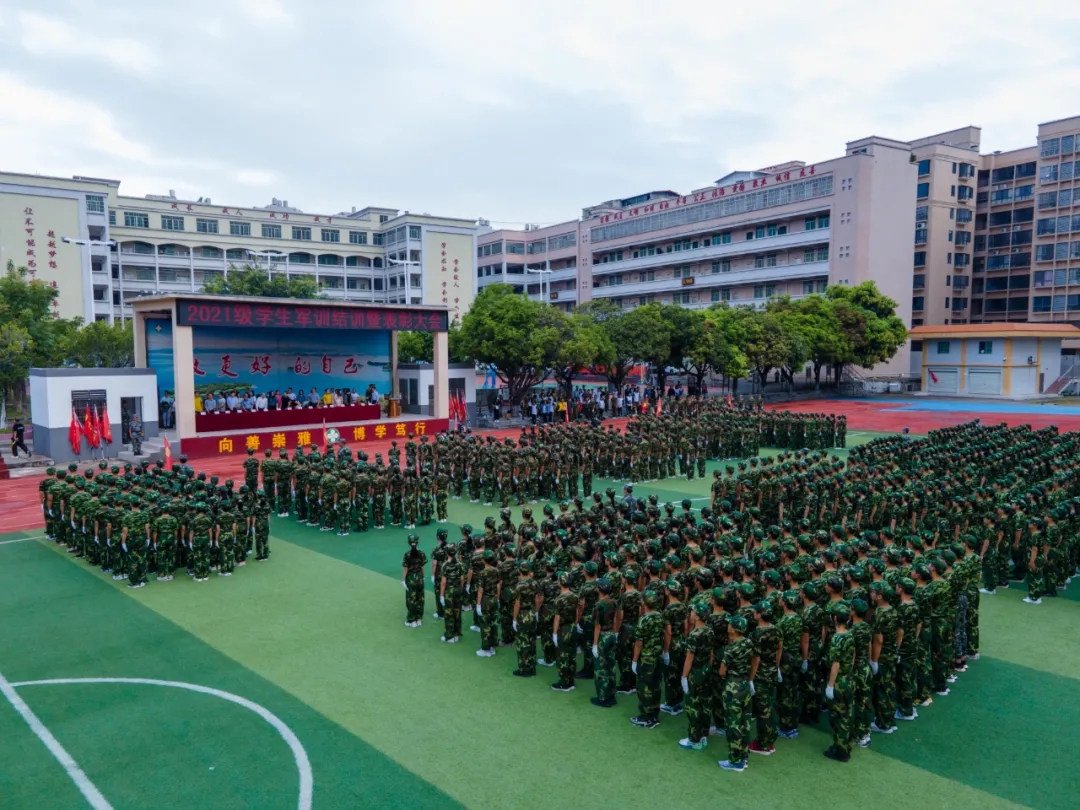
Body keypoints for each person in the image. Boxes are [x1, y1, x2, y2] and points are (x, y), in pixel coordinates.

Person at [402, 535, 428, 627]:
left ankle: (411, 620)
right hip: (419, 578)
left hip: (411, 579)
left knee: (411, 600)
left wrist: (403, 580)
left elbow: (406, 569)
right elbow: (422, 567)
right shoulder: (421, 553)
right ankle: (418, 619)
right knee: (420, 598)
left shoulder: (407, 554)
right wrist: (423, 577)